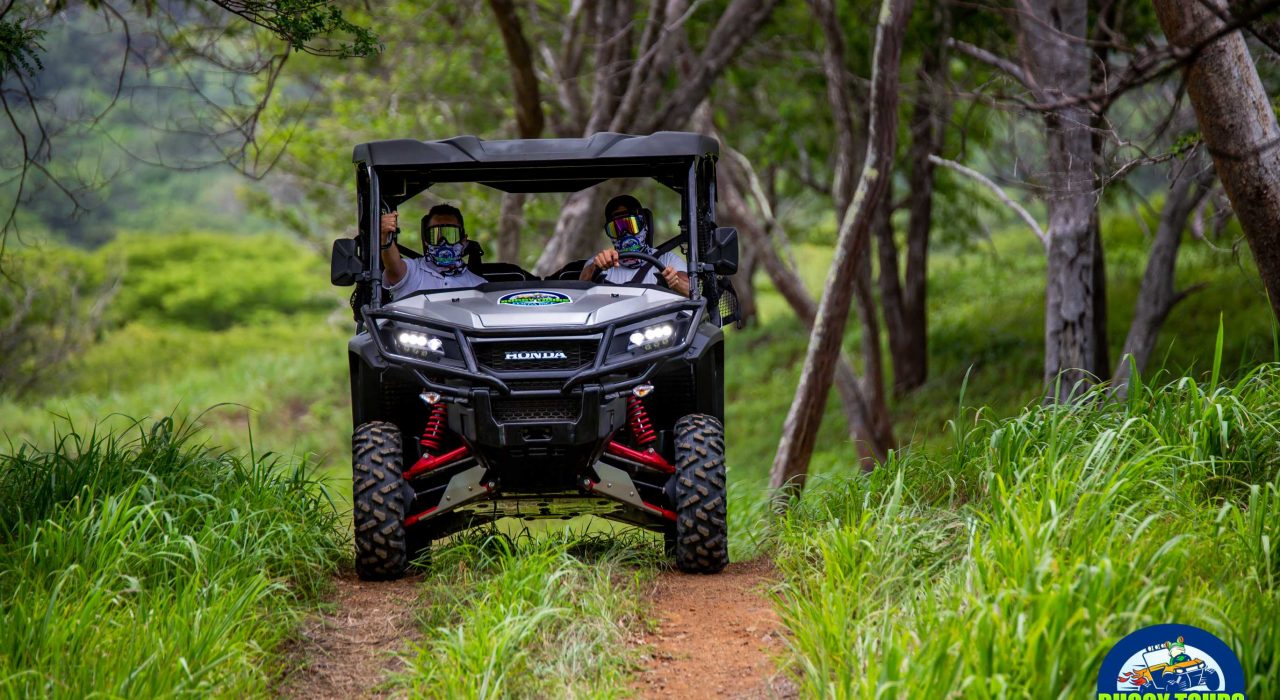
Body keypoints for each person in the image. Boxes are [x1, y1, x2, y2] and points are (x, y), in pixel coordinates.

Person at [579, 195, 690, 296]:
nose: (625, 234)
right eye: (616, 229)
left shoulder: (667, 260)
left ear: (644, 226)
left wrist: (675, 282)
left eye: (631, 225)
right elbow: (579, 289)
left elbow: (692, 292)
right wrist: (595, 266)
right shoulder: (600, 262)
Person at [379, 203, 486, 299]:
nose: (443, 242)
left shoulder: (479, 286)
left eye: (450, 235)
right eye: (435, 235)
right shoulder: (411, 272)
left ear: (464, 240)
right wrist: (385, 235)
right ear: (426, 240)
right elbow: (393, 268)